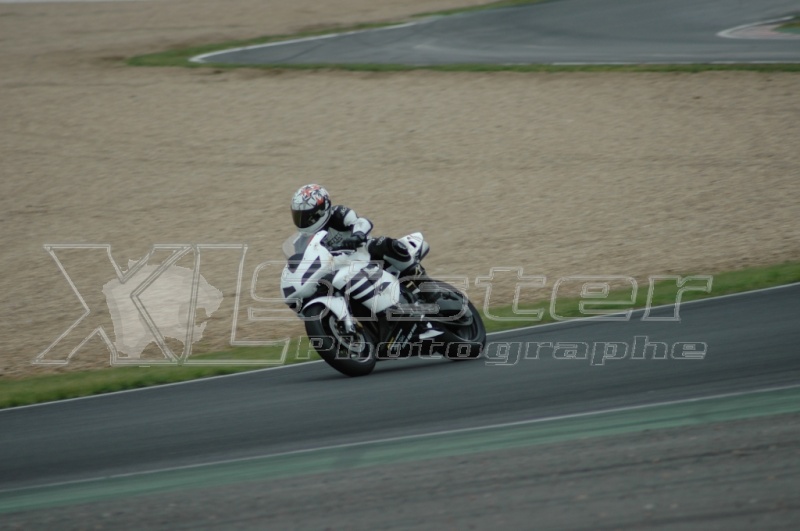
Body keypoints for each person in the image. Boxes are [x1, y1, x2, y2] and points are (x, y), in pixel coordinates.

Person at [290, 184, 428, 283]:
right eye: (298, 215)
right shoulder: (301, 241)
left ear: (321, 210)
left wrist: (357, 235)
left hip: (363, 255)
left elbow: (361, 222)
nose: (302, 221)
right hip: (338, 269)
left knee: (380, 244)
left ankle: (423, 282)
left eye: (306, 216)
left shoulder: (337, 213)